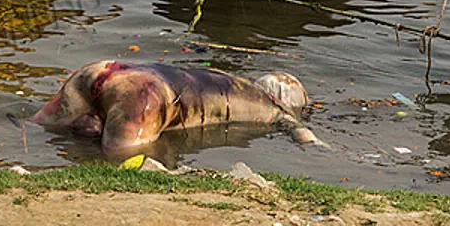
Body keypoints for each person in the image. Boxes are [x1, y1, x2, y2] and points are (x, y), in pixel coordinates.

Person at [30, 61, 323, 153]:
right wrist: (318, 147)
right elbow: (302, 135)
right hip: (146, 95)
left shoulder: (231, 81)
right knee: (121, 158)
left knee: (36, 130)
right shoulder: (275, 110)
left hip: (102, 70)